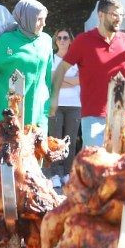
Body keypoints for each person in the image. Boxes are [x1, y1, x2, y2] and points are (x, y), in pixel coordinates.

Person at [50, 0, 125, 147]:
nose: (119, 19)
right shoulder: (83, 41)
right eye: (114, 14)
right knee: (97, 164)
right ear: (101, 15)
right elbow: (61, 70)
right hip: (93, 116)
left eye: (121, 15)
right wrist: (54, 98)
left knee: (118, 166)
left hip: (120, 114)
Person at [0, 0, 54, 133]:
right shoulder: (6, 41)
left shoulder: (46, 40)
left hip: (37, 120)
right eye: (39, 19)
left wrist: (52, 101)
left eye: (45, 19)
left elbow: (49, 75)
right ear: (26, 19)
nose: (44, 24)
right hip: (6, 121)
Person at [48, 29, 81, 187]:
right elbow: (51, 80)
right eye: (59, 38)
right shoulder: (51, 58)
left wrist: (60, 78)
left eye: (65, 37)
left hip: (74, 105)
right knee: (55, 140)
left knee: (71, 140)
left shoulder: (77, 59)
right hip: (55, 104)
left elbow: (79, 80)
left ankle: (68, 173)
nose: (62, 40)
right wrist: (69, 80)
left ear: (70, 40)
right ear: (56, 41)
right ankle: (54, 174)